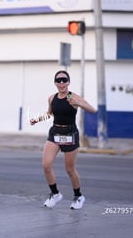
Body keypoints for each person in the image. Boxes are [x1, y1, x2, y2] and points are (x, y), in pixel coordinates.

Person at [30, 70, 96, 210]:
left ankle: (78, 196)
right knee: (46, 165)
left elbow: (92, 110)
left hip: (70, 133)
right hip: (55, 132)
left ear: (68, 82)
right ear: (55, 83)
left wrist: (78, 103)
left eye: (64, 80)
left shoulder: (73, 96)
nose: (61, 83)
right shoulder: (52, 98)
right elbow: (49, 113)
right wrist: (37, 119)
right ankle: (55, 194)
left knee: (69, 169)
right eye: (58, 80)